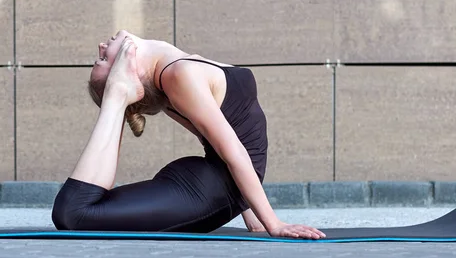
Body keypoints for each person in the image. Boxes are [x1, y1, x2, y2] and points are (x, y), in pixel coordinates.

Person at [51, 30, 325, 239]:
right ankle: (117, 97)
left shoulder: (173, 68)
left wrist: (252, 214)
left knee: (76, 212)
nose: (101, 46)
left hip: (208, 188)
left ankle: (117, 96)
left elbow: (230, 145)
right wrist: (273, 224)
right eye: (103, 58)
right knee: (72, 214)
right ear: (130, 70)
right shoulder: (177, 76)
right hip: (204, 190)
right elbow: (234, 151)